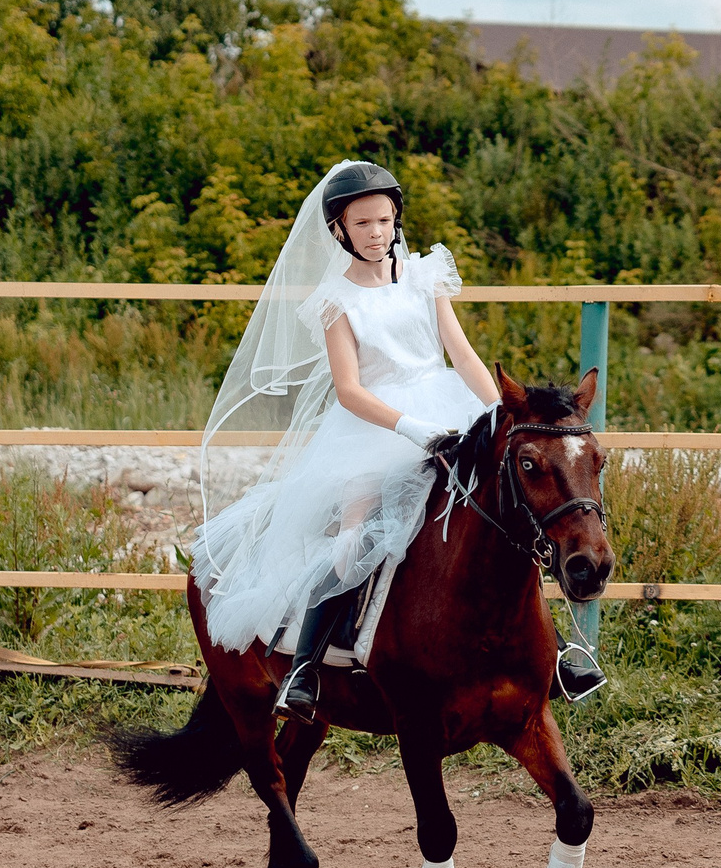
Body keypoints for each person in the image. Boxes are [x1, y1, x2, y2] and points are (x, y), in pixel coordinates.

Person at [192, 160, 600, 718]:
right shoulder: (336, 301)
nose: (377, 232)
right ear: (340, 231)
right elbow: (349, 390)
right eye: (362, 224)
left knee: (510, 520)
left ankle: (559, 654)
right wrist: (410, 428)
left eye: (383, 220)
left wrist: (497, 413)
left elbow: (460, 352)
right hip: (377, 428)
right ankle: (306, 671)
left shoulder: (425, 276)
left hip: (450, 411)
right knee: (353, 542)